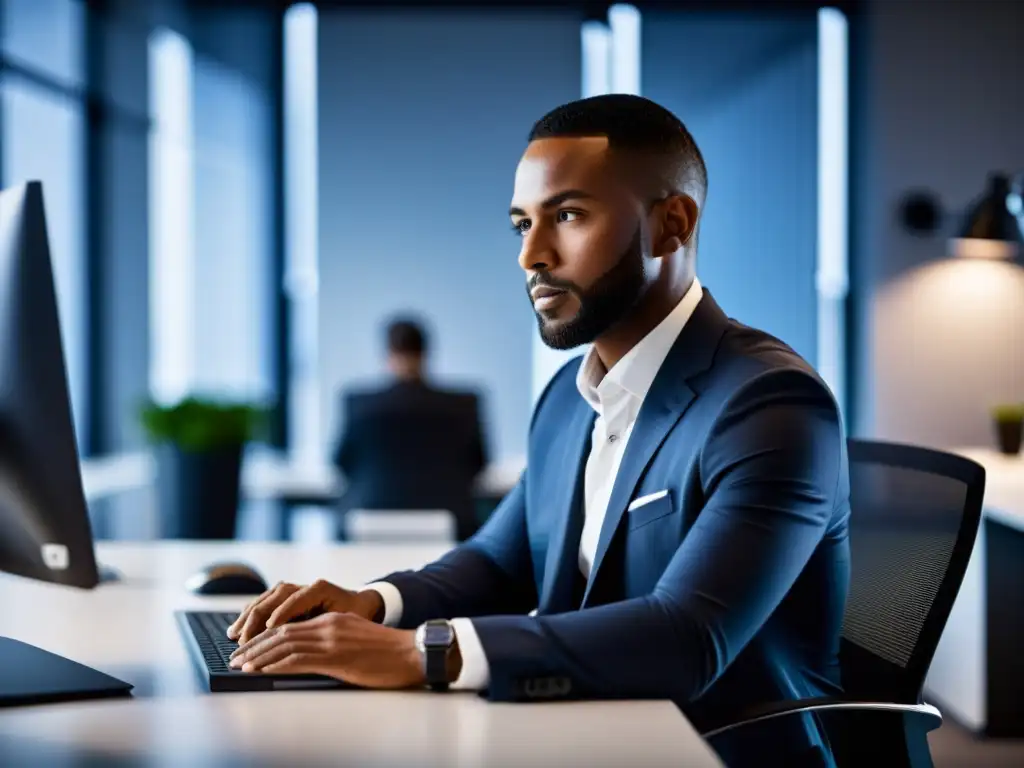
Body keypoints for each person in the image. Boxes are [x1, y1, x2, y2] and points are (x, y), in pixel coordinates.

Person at [227, 94, 850, 768]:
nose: (531, 254)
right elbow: (502, 561)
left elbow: (687, 638)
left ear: (671, 224)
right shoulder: (568, 397)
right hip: (585, 730)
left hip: (714, 748)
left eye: (569, 216)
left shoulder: (769, 403)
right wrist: (374, 605)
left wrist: (424, 653)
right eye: (522, 223)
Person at [331, 317, 488, 541]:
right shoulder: (465, 404)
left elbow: (342, 463)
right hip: (451, 522)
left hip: (370, 517)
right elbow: (479, 463)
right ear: (426, 352)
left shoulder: (359, 403)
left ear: (388, 353)